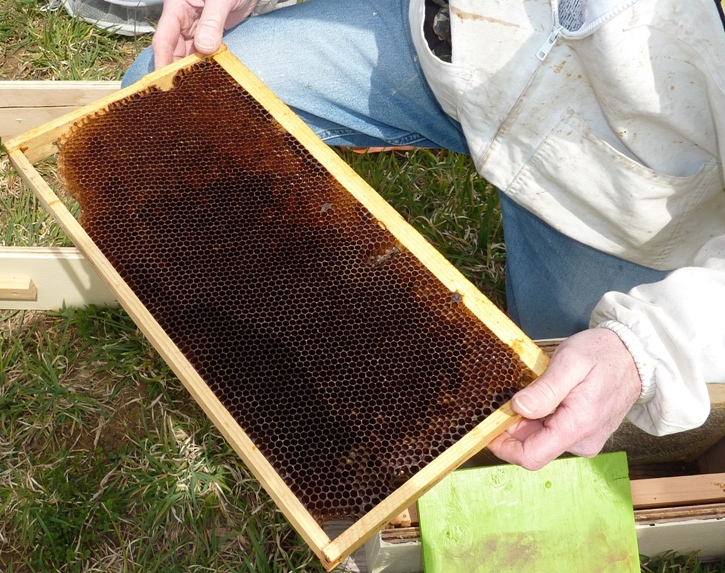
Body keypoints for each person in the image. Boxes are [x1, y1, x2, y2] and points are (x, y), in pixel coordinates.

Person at [122, 0, 725, 471]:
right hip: (444, 56)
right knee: (162, 92)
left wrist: (644, 347)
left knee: (553, 417)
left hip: (618, 197)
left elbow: (644, 353)